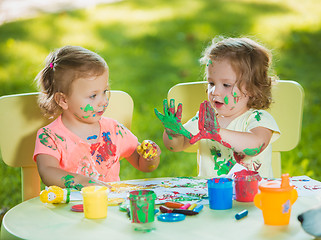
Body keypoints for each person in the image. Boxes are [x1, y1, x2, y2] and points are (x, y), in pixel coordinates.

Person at [33, 45, 161, 190]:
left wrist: (150, 157)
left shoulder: (113, 130)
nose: (104, 101)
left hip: (110, 207)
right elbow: (47, 172)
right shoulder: (50, 137)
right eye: (93, 96)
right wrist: (79, 181)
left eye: (105, 91)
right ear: (63, 100)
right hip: (67, 210)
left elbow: (142, 165)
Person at [155, 37, 280, 178]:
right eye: (211, 83)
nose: (215, 91)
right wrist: (173, 133)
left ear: (251, 88)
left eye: (226, 85)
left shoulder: (259, 119)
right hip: (211, 195)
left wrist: (217, 132)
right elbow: (176, 146)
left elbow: (256, 145)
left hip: (252, 196)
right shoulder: (206, 119)